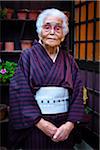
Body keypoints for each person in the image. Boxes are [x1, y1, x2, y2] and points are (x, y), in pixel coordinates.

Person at [8, 8, 84, 150]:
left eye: (58, 28)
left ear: (63, 34)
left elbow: (78, 93)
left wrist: (70, 124)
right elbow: (19, 92)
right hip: (35, 125)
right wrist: (40, 123)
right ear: (39, 32)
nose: (52, 32)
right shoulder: (28, 56)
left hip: (63, 123)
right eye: (47, 27)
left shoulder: (69, 60)